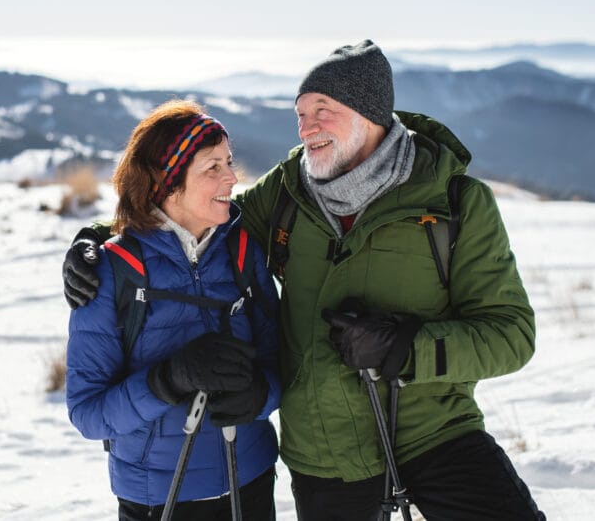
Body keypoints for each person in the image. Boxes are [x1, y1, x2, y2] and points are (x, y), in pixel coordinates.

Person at [64, 41, 546, 520]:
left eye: (323, 110)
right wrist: (96, 238)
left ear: (369, 114)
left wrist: (407, 347)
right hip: (326, 453)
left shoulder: (454, 202)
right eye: (300, 112)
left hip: (436, 433)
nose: (305, 126)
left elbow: (512, 335)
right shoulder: (289, 191)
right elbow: (185, 215)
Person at [65, 100, 281, 520]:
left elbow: (281, 360)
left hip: (250, 482)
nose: (232, 178)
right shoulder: (112, 271)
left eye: (229, 163)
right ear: (168, 183)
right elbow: (88, 412)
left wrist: (260, 395)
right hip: (157, 497)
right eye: (212, 168)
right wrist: (167, 380)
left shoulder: (242, 250)